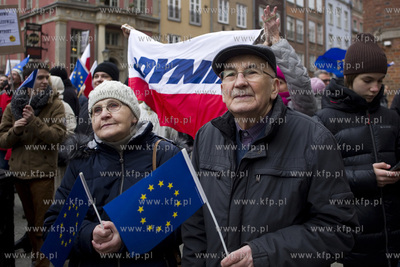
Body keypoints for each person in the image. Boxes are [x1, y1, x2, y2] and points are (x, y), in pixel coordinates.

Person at [181, 42, 358, 266]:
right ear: (222, 89)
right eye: (230, 74)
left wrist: (264, 254)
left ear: (274, 87)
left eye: (252, 72)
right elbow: (195, 224)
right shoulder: (206, 136)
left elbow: (339, 229)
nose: (240, 82)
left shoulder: (315, 139)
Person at [44, 81, 181, 266]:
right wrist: (90, 234)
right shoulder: (81, 160)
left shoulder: (164, 153)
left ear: (133, 115)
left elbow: (186, 224)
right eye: (97, 110)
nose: (105, 114)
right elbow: (55, 226)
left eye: (113, 105)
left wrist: (127, 236)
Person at [315, 33, 400, 267]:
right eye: (368, 80)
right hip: (353, 242)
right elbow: (317, 179)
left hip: (394, 234)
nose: (375, 88)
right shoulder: (324, 120)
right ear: (350, 77)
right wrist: (367, 176)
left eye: (381, 81)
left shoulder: (391, 117)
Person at [0, 62, 66, 267]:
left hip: (42, 174)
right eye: (40, 77)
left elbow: (58, 136)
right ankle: (35, 258)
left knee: (42, 226)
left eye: (47, 77)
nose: (45, 81)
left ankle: (42, 264)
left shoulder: (55, 104)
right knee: (30, 225)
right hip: (18, 172)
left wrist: (34, 122)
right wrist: (16, 131)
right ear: (28, 81)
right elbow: (2, 139)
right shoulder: (13, 105)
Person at [259, 6, 317, 116]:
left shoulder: (296, 108)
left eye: (279, 82)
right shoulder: (259, 106)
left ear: (289, 85)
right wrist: (266, 43)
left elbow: (299, 80)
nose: (274, 86)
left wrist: (276, 39)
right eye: (271, 82)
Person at [75, 62, 119, 135]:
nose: (99, 79)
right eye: (96, 76)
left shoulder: (118, 104)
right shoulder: (88, 103)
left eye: (104, 76)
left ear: (113, 80)